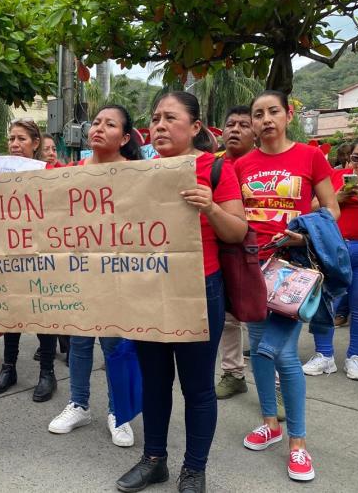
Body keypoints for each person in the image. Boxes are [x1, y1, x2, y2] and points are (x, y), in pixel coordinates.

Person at [116, 92, 247, 493]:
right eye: (154, 118)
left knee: (197, 387)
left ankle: (194, 469)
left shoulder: (216, 169)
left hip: (198, 289)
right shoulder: (138, 172)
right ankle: (154, 459)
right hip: (147, 288)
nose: (159, 125)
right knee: (154, 382)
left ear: (194, 127)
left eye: (170, 117)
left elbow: (237, 231)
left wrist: (211, 208)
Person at [234, 90, 339, 482]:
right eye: (258, 114)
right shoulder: (242, 163)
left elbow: (332, 208)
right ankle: (269, 423)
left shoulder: (310, 157)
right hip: (251, 266)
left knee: (281, 353)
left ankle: (298, 443)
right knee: (260, 352)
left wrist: (304, 234)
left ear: (288, 114)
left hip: (293, 268)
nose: (265, 120)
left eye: (273, 111)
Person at [47, 105, 139, 447]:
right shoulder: (71, 172)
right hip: (78, 272)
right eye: (96, 122)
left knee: (114, 345)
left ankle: (119, 412)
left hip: (118, 275)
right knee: (81, 342)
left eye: (109, 124)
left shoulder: (137, 173)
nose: (99, 128)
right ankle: (79, 404)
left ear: (125, 138)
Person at [0, 117, 60, 403]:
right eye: (11, 138)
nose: (15, 144)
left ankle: (47, 372)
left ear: (35, 144)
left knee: (42, 314)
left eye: (21, 139)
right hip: (9, 252)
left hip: (41, 254)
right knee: (12, 311)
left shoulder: (51, 173)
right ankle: (9, 368)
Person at [303, 134, 358, 381]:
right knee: (325, 304)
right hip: (333, 249)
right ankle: (324, 356)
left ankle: (355, 358)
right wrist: (337, 198)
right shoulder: (334, 177)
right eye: (356, 157)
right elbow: (311, 207)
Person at [214, 106, 256, 400]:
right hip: (223, 248)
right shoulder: (213, 164)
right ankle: (233, 373)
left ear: (255, 131)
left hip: (261, 249)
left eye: (243, 124)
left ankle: (276, 386)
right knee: (228, 318)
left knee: (264, 319)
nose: (235, 129)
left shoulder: (265, 163)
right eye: (230, 124)